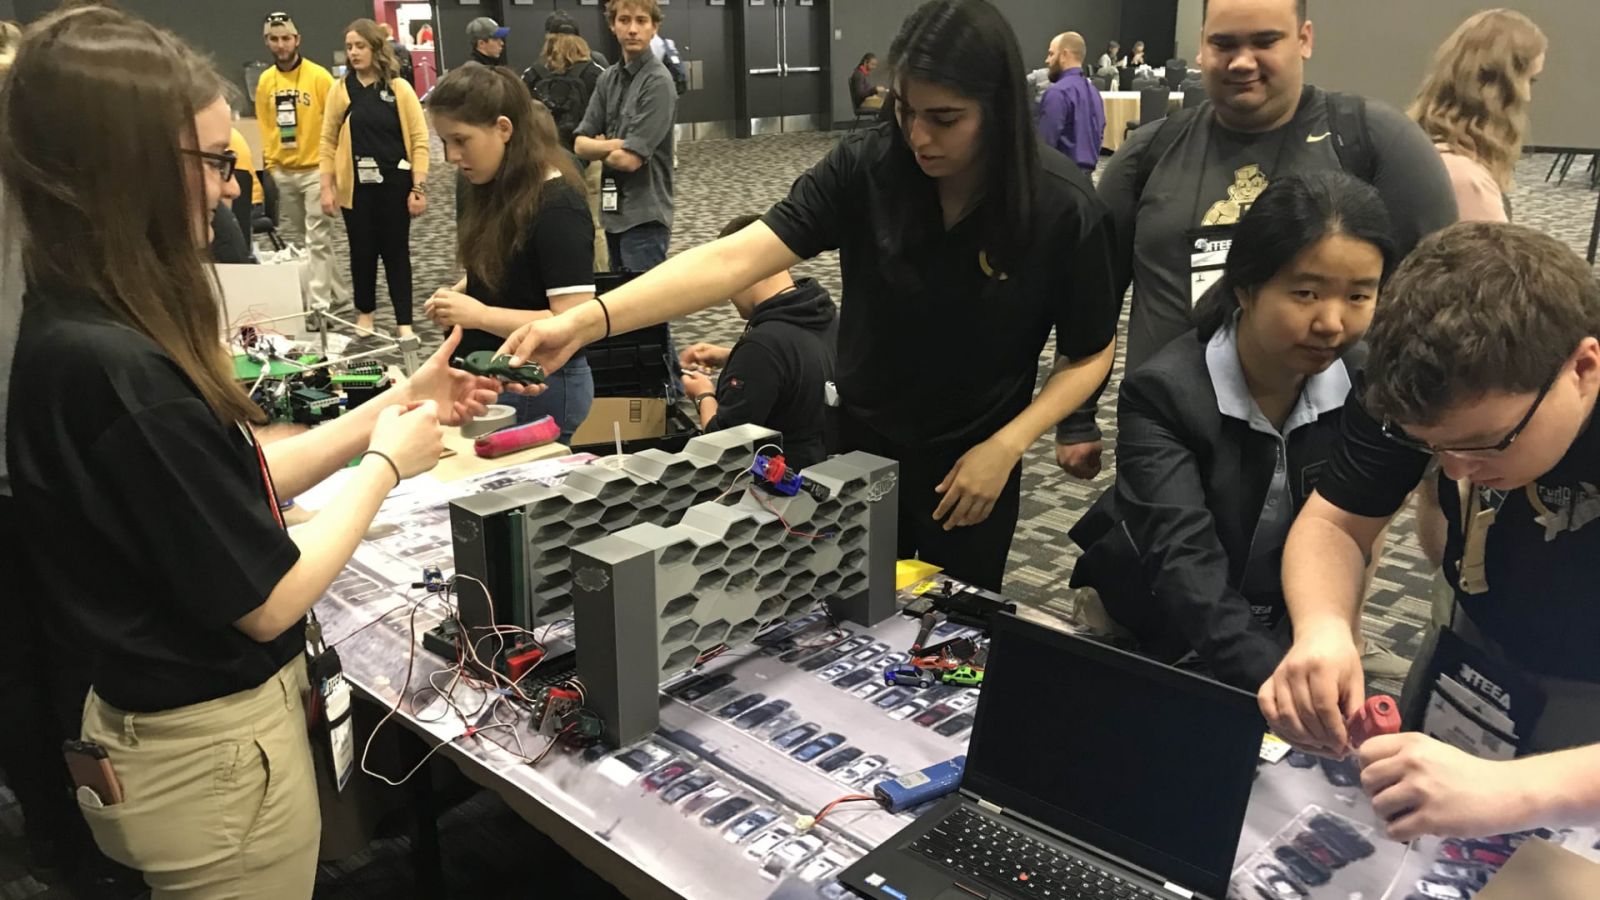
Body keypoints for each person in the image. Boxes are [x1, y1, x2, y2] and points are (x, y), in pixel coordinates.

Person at [0, 7, 497, 896]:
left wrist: (399, 399)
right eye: (216, 163)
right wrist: (387, 464)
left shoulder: (85, 322)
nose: (235, 189)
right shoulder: (120, 370)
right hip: (211, 762)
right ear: (132, 170)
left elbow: (224, 489)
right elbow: (268, 597)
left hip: (185, 748)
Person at [497, 0, 1119, 593]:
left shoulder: (1061, 206)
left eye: (945, 118)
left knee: (956, 637)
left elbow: (1090, 351)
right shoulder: (869, 166)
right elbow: (737, 255)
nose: (920, 136)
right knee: (847, 610)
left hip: (975, 460)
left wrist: (1010, 445)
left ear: (1000, 108)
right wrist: (588, 320)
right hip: (861, 438)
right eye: (906, 110)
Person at [1259, 222, 1600, 843]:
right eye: (1432, 448)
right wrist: (1325, 627)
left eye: (1482, 443)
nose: (1454, 472)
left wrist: (1522, 790)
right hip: (1472, 640)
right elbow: (1335, 521)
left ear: (1582, 367)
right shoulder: (1414, 382)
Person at [1052, 0, 1457, 482]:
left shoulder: (1375, 141)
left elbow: (1437, 297)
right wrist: (1076, 418)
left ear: (1304, 39)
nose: (1242, 61)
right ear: (1202, 46)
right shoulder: (1148, 153)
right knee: (1168, 552)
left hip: (1326, 439)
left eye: (1265, 41)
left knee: (1317, 555)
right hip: (1171, 434)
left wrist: (1431, 419)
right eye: (1224, 43)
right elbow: (1093, 297)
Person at [1070, 171, 1397, 691]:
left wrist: (1335, 634)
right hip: (1159, 615)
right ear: (1245, 287)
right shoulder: (1165, 393)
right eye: (1306, 292)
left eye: (1360, 296)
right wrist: (1278, 682)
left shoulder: (1369, 383)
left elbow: (1360, 527)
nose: (1333, 323)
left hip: (1288, 616)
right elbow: (1184, 562)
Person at [423, 66, 597, 443]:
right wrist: (464, 289)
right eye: (444, 142)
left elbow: (573, 320)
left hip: (540, 387)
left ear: (503, 129)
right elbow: (511, 265)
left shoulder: (558, 205)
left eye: (461, 140)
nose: (452, 155)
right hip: (492, 379)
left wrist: (479, 314)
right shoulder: (487, 183)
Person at [679, 215, 838, 470]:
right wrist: (729, 356)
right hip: (823, 460)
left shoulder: (763, 347)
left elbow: (723, 445)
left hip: (780, 484)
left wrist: (702, 395)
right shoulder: (820, 311)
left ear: (742, 270)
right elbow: (796, 362)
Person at [319, 18, 429, 340]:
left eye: (360, 46)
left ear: (376, 48)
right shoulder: (340, 91)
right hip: (356, 190)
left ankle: (403, 322)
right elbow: (327, 141)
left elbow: (420, 142)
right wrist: (327, 187)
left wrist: (418, 187)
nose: (353, 53)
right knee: (361, 252)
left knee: (396, 254)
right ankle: (364, 315)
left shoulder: (399, 89)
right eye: (349, 47)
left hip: (395, 186)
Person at [1410, 9, 1547, 224]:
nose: (1527, 96)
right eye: (1529, 80)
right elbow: (1495, 257)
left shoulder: (1413, 146)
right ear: (1500, 86)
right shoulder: (1467, 180)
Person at [255, 12, 348, 321]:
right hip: (284, 171)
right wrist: (270, 163)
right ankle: (341, 294)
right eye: (274, 39)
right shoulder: (266, 81)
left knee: (317, 238)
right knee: (311, 238)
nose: (281, 45)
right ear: (267, 41)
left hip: (315, 171)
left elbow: (337, 123)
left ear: (297, 40)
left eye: (286, 38)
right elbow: (265, 124)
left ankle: (320, 306)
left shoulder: (320, 77)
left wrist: (331, 170)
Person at [576, 0, 677, 273]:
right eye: (624, 20)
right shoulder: (607, 79)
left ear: (654, 27)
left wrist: (600, 146)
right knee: (620, 309)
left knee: (647, 313)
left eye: (642, 21)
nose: (632, 29)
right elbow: (579, 145)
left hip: (645, 217)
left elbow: (629, 161)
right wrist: (615, 144)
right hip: (612, 215)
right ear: (612, 25)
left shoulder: (658, 82)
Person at [534, 27, 609, 271]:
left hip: (548, 158)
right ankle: (597, 277)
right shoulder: (595, 72)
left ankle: (562, 274)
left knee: (553, 219)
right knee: (595, 223)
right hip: (589, 154)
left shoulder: (534, 73)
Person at [1038, 31, 1105, 173]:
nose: (1047, 60)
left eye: (1051, 54)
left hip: (1060, 182)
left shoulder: (1057, 93)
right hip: (1087, 184)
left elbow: (1045, 147)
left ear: (1064, 55)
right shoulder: (1094, 93)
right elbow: (1099, 136)